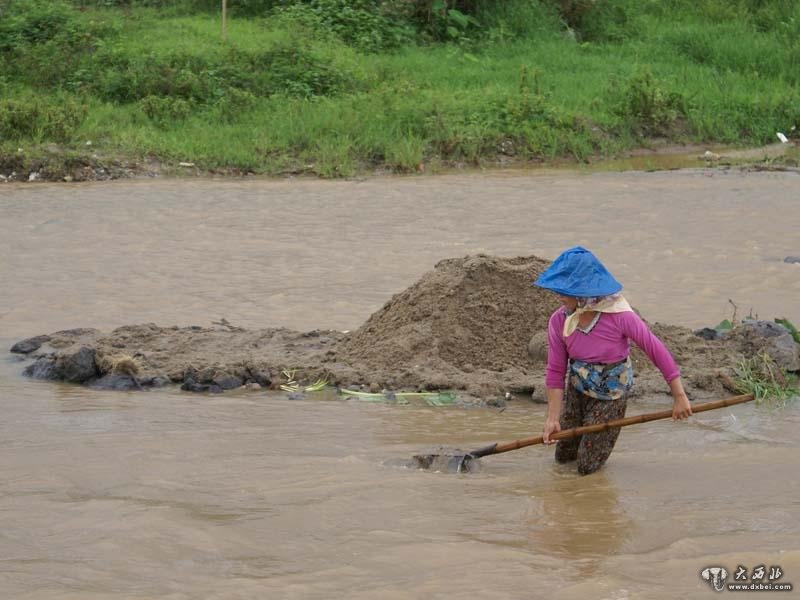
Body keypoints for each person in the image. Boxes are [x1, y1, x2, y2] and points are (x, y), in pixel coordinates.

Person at [533, 246, 692, 475]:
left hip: (611, 395)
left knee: (587, 466)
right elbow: (556, 370)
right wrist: (552, 418)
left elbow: (655, 350)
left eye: (565, 290)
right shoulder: (559, 321)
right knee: (563, 458)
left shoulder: (620, 316)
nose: (559, 295)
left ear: (583, 294)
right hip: (577, 389)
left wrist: (679, 396)